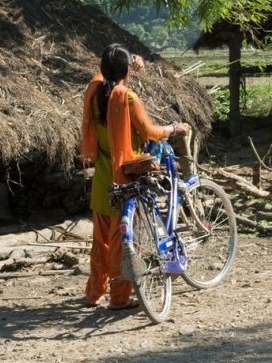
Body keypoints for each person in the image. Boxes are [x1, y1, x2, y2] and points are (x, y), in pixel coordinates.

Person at [80, 44, 190, 309]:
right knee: (122, 242)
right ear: (127, 69)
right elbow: (150, 131)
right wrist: (174, 127)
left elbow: (103, 74)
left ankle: (94, 293)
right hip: (125, 178)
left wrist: (125, 66)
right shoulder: (128, 97)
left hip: (102, 177)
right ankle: (119, 298)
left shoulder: (93, 92)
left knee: (101, 242)